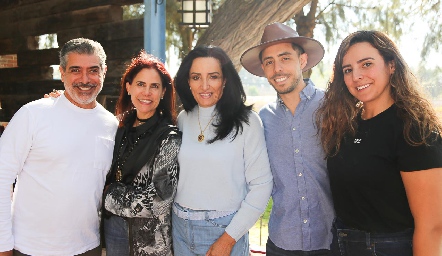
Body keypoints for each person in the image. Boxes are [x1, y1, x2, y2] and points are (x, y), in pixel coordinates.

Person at [316, 30, 442, 256]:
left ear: (391, 65)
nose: (356, 76)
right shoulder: (346, 126)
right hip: (340, 245)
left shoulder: (414, 130)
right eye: (348, 70)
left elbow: (432, 227)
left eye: (366, 64)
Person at [0, 38, 118, 256]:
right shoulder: (33, 114)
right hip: (30, 248)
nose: (85, 79)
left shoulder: (112, 125)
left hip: (87, 247)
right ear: (62, 73)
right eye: (75, 70)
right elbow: (2, 176)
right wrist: (3, 244)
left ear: (104, 71)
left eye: (93, 70)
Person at [240, 22, 335, 255]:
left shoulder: (332, 108)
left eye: (285, 58)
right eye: (269, 62)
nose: (277, 69)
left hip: (332, 242)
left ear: (302, 61)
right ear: (263, 69)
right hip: (282, 243)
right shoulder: (262, 120)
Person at [172, 45, 273, 256]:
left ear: (225, 80)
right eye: (196, 77)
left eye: (213, 76)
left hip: (224, 230)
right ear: (187, 81)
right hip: (180, 227)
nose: (204, 85)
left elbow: (262, 186)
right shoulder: (183, 118)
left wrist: (229, 239)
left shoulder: (247, 122)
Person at [102, 50, 181, 256]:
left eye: (154, 86)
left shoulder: (169, 138)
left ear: (163, 92)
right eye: (140, 84)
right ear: (128, 87)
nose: (147, 92)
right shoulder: (116, 128)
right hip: (113, 231)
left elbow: (158, 202)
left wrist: (108, 194)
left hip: (150, 242)